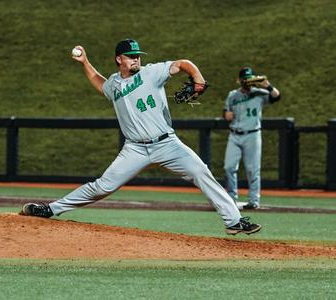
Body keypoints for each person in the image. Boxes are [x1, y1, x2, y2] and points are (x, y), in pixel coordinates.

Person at [20, 39, 262, 235]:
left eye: (138, 55)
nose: (136, 58)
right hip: (134, 149)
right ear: (119, 59)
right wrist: (85, 61)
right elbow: (99, 82)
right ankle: (50, 209)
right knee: (102, 186)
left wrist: (198, 79)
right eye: (131, 55)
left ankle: (234, 221)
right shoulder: (114, 84)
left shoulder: (152, 73)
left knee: (201, 171)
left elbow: (183, 63)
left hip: (167, 143)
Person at [223, 67, 281, 209]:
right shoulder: (233, 95)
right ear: (239, 80)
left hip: (252, 134)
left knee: (252, 169)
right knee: (229, 167)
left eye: (249, 78)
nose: (247, 81)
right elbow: (226, 111)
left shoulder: (260, 93)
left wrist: (267, 85)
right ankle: (231, 199)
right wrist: (226, 115)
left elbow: (276, 96)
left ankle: (254, 201)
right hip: (235, 135)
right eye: (245, 79)